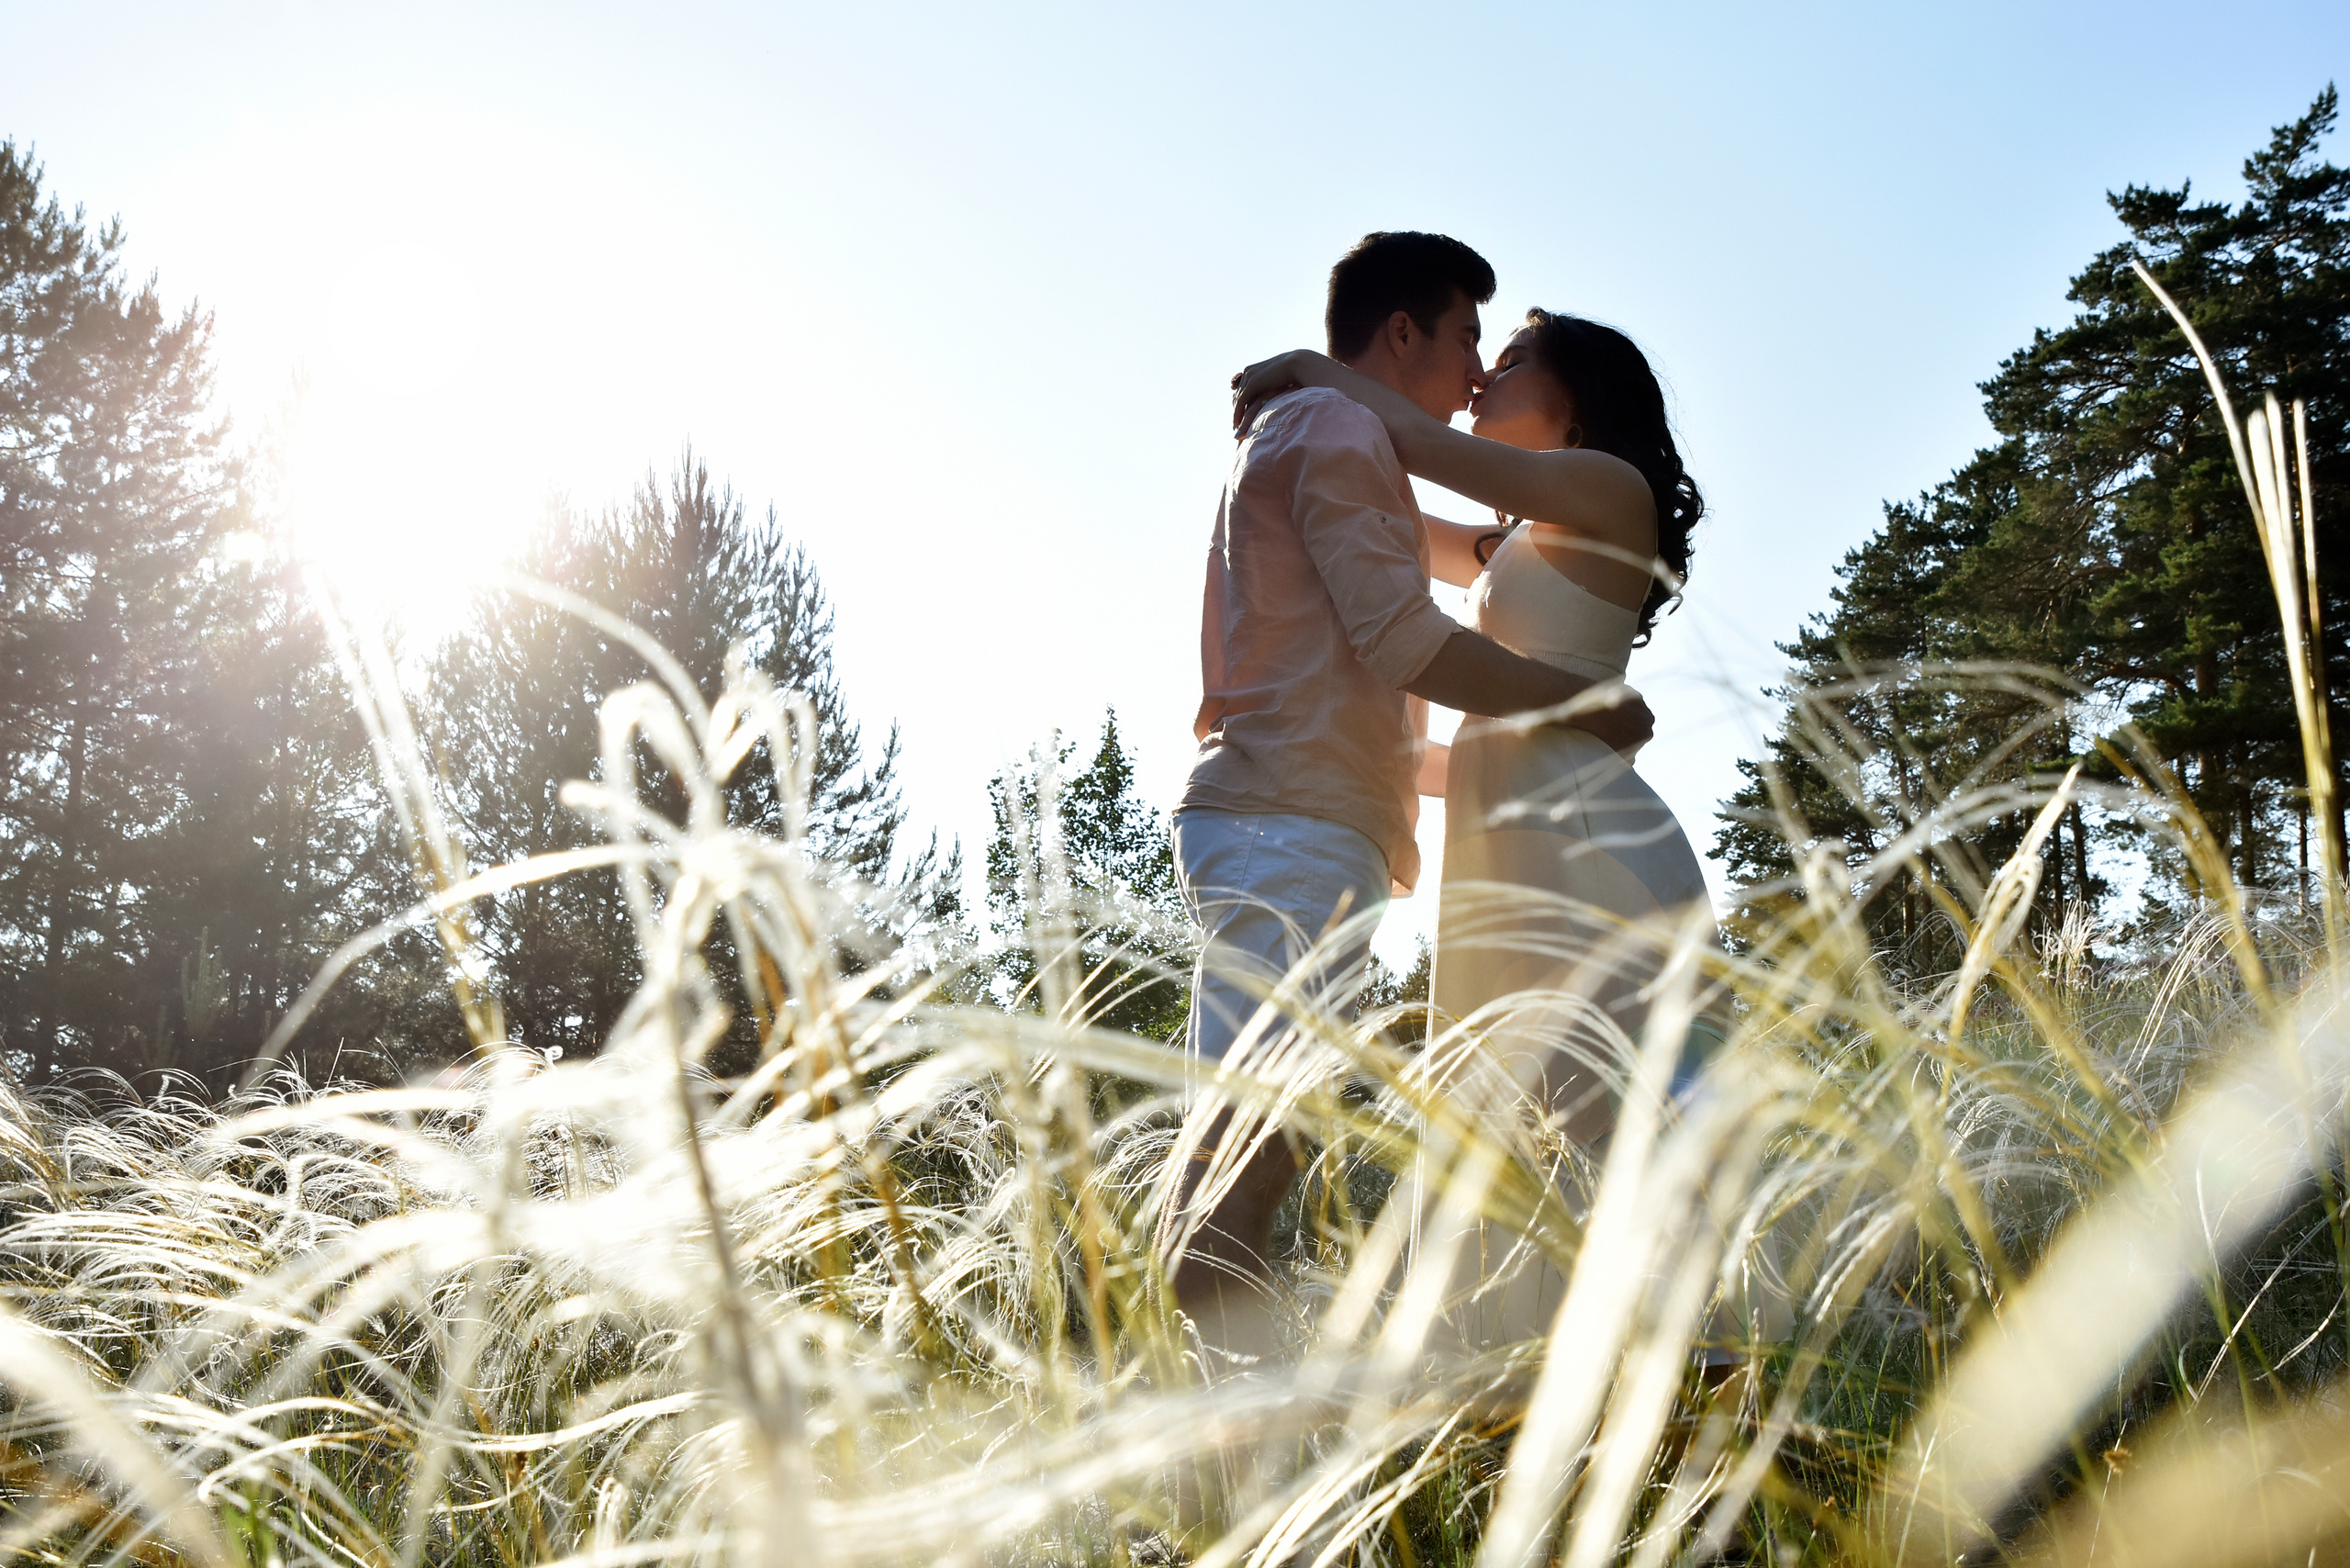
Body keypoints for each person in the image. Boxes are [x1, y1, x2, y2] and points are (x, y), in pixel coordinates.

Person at [1169, 234, 1654, 1355]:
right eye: (1469, 334)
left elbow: (1468, 544)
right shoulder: (1336, 427)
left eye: (1505, 348)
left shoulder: (1334, 436)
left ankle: (1239, 1454)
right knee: (1252, 1146)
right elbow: (1402, 635)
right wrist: (1574, 708)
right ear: (1403, 334)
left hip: (1308, 818)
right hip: (1290, 821)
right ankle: (1243, 1460)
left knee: (1262, 1133)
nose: (1481, 366)